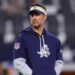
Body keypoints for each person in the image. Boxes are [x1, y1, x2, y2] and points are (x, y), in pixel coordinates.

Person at [13, 3, 63, 75]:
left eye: (37, 14)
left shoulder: (55, 40)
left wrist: (53, 73)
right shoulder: (22, 38)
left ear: (45, 17)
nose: (34, 17)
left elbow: (59, 62)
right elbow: (18, 62)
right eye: (32, 15)